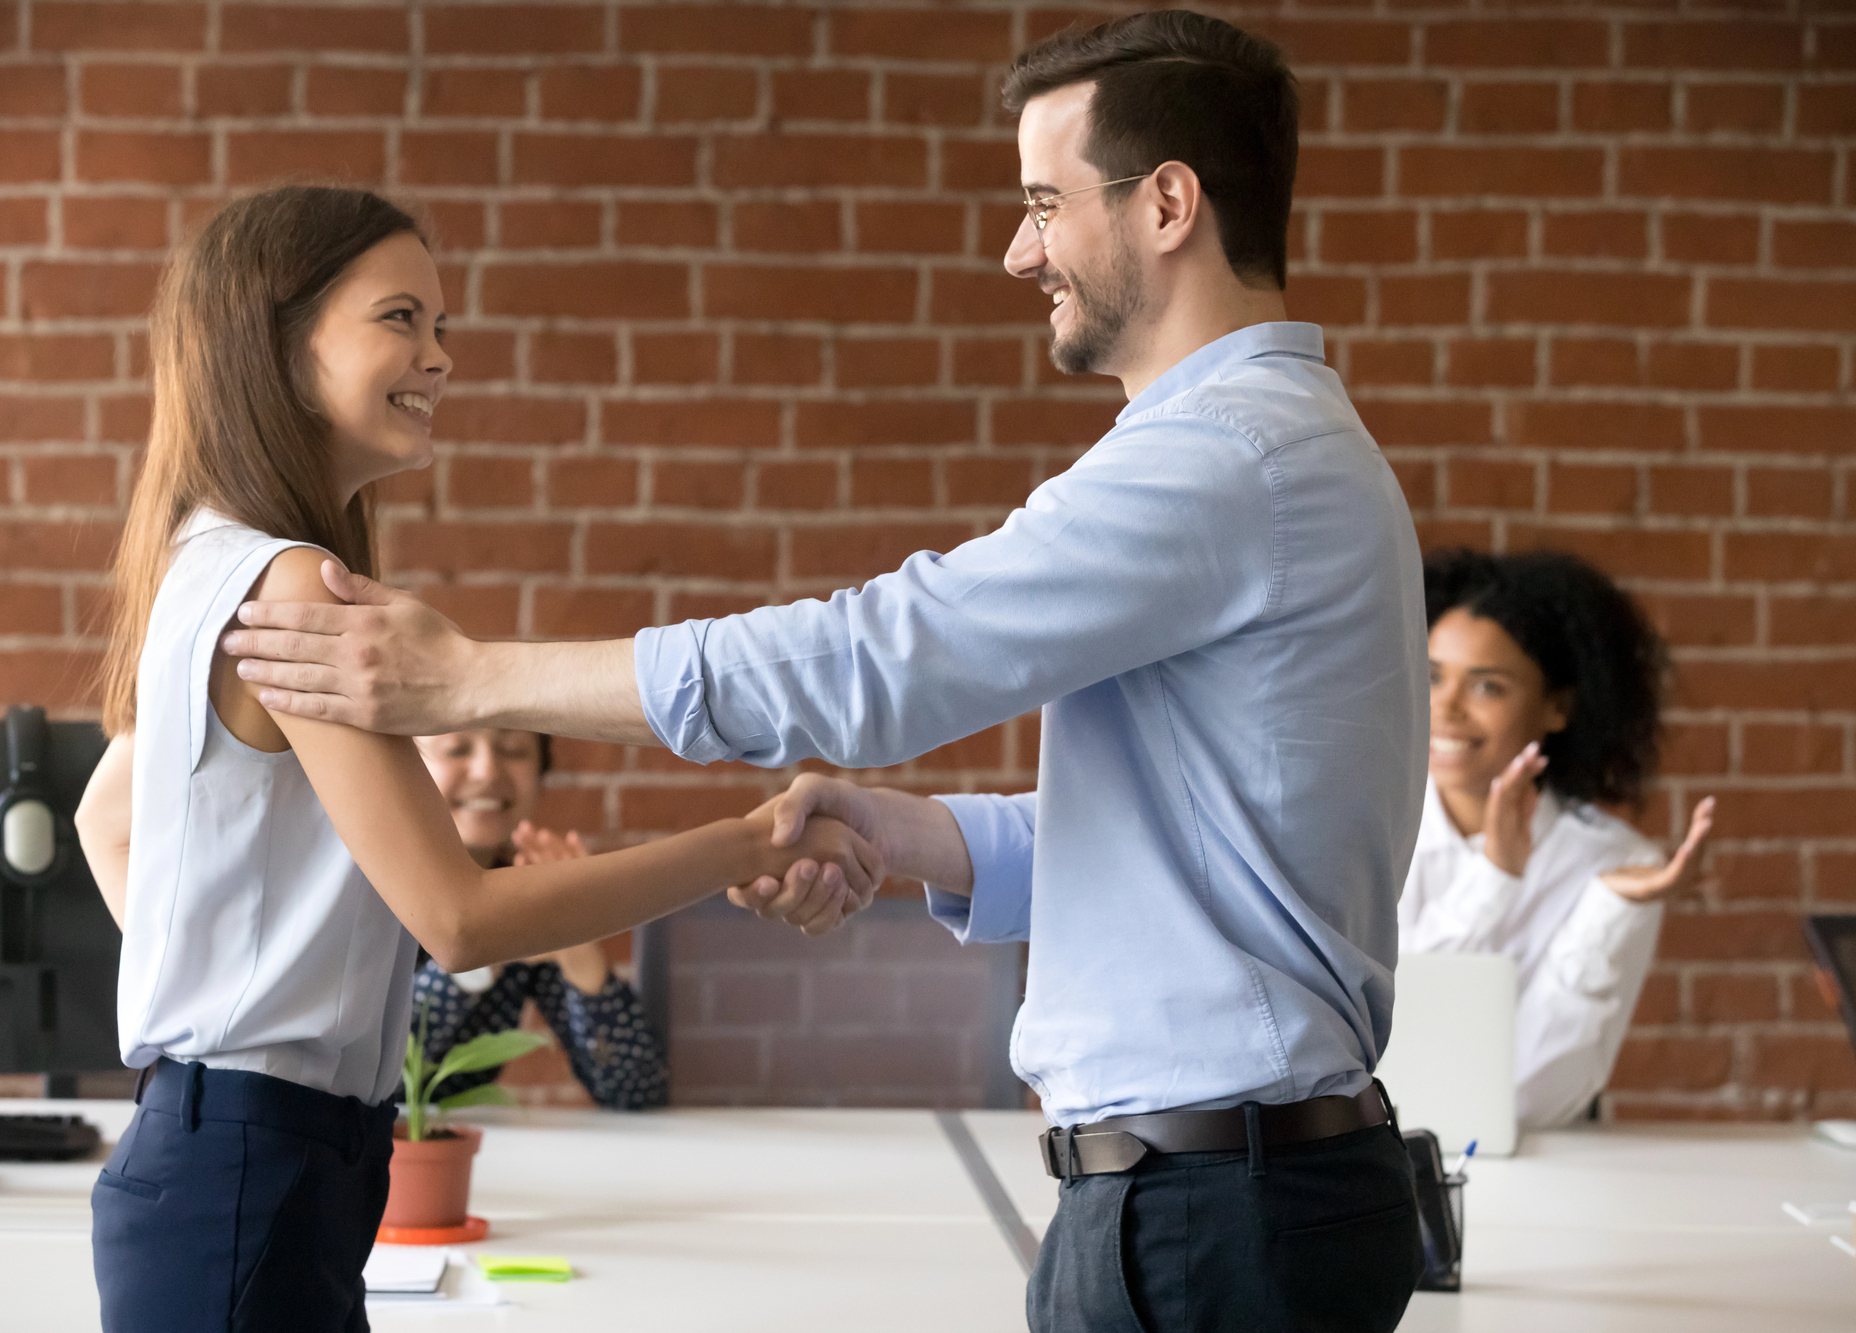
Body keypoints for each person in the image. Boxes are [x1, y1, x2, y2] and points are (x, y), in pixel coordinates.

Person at [219, 14, 1431, 1330]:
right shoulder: (1269, 453)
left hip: (1212, 1217)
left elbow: (878, 657)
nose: (1018, 249)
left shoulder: (1222, 461)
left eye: (1042, 202)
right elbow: (1190, 844)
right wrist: (898, 833)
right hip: (1224, 1197)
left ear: (1169, 204)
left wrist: (469, 679)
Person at [70, 185, 879, 1333]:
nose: (438, 357)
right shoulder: (289, 585)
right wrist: (743, 841)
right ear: (278, 340)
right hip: (253, 1164)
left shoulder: (204, 557)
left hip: (232, 1155)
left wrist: (217, 994)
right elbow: (456, 918)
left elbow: (108, 822)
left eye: (440, 326)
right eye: (400, 318)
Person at [1402, 548, 1716, 1130]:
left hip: (1547, 1177)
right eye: (1432, 675)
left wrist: (1609, 912)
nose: (1444, 709)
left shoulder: (1616, 867)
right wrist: (1493, 880)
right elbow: (1399, 1043)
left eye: (1487, 687)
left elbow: (1532, 1098)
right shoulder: (1376, 827)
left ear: (1558, 707)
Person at [409, 728, 666, 1110]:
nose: (487, 771)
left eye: (513, 749)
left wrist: (576, 936)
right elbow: (375, 1061)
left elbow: (637, 1092)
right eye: (457, 748)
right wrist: (487, 944)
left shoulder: (524, 892)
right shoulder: (360, 887)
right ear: (400, 770)